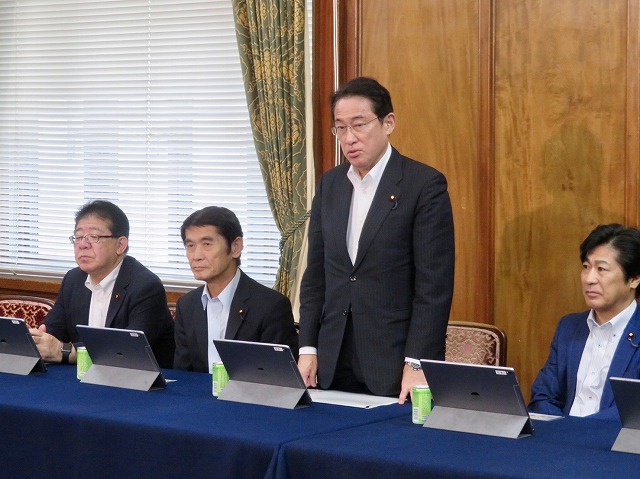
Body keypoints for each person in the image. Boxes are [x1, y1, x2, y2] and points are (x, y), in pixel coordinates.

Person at [297, 77, 455, 402]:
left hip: (394, 363)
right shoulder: (330, 185)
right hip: (331, 360)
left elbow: (433, 286)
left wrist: (417, 362)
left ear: (388, 123)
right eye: (340, 128)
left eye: (359, 125)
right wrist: (308, 347)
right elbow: (316, 276)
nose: (349, 138)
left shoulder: (423, 185)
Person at [30, 200, 175, 368]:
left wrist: (65, 351)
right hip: (86, 377)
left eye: (94, 237)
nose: (83, 245)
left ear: (120, 245)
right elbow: (52, 332)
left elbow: (126, 350)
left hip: (137, 379)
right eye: (78, 237)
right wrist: (40, 340)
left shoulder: (146, 287)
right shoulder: (73, 280)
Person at [529, 223, 640, 420]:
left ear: (634, 279)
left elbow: (632, 413)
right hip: (559, 433)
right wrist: (561, 430)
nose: (589, 279)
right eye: (586, 267)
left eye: (601, 269)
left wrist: (578, 431)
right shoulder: (569, 327)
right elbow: (543, 395)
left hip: (611, 438)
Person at [173, 206, 298, 373]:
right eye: (190, 245)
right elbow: (182, 375)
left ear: (235, 247)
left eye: (207, 244)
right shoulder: (187, 305)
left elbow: (278, 376)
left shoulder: (270, 306)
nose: (196, 256)